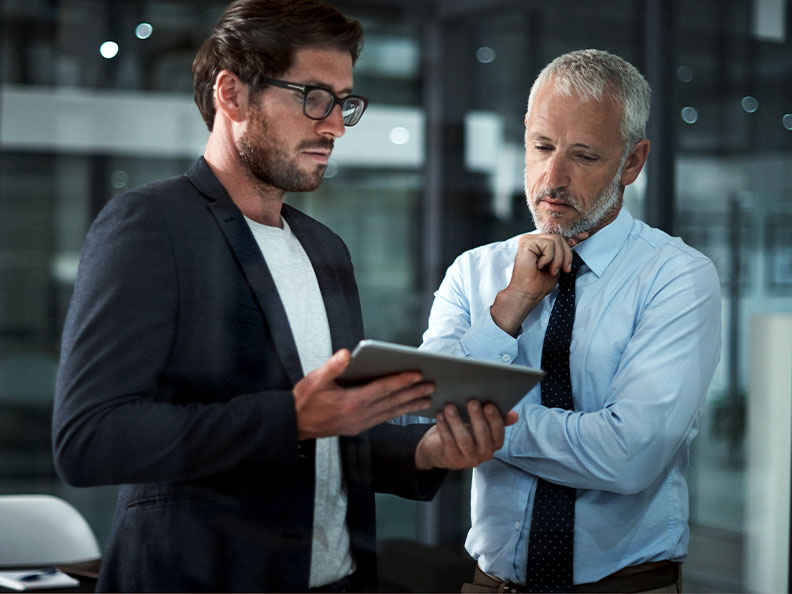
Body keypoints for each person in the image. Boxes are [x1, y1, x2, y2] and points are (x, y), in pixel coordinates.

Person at [52, 1, 514, 592]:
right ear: (232, 94)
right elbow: (90, 439)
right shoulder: (150, 225)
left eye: (345, 102)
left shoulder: (325, 248)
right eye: (313, 96)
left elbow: (335, 430)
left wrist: (425, 450)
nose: (336, 125)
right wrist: (290, 418)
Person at [419, 49, 722, 593]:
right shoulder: (475, 271)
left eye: (583, 156)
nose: (552, 178)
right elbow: (428, 418)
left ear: (632, 162)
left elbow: (629, 457)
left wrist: (479, 425)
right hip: (490, 586)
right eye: (541, 148)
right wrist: (508, 307)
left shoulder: (677, 277)